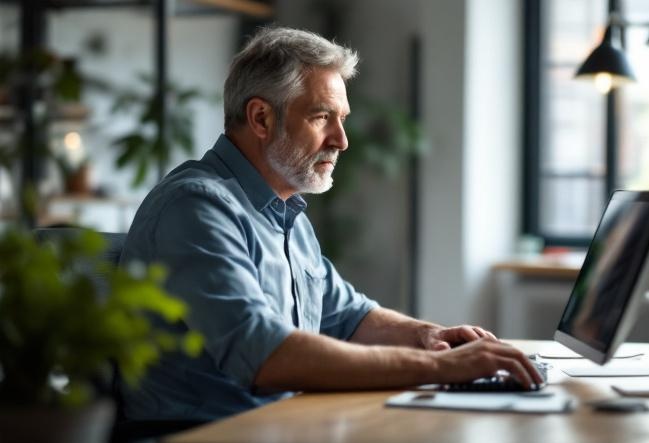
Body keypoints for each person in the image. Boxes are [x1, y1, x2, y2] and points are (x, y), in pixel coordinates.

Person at [120, 26, 542, 422]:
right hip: (206, 436)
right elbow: (265, 354)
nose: (341, 140)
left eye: (342, 119)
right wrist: (439, 367)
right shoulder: (197, 206)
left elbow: (350, 318)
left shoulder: (287, 213)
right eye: (322, 117)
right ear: (261, 118)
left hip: (280, 427)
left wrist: (430, 336)